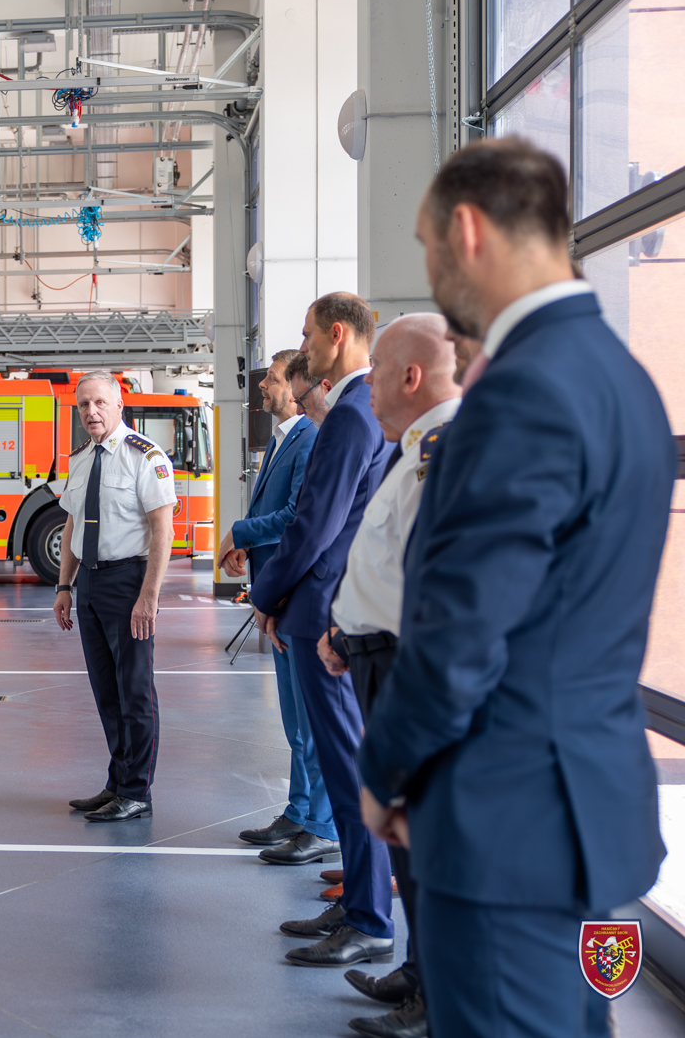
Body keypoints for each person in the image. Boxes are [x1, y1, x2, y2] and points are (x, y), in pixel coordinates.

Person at [360, 138, 673, 1038]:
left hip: (505, 822)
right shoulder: (622, 380)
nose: (433, 273)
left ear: (467, 231)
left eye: (428, 247)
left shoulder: (521, 394)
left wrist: (386, 768)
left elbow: (461, 629)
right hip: (580, 809)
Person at [308, 314, 458, 1038]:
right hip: (375, 653)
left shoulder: (445, 450)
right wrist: (346, 629)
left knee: (426, 840)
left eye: (378, 374)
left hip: (407, 667)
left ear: (411, 375)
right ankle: (421, 970)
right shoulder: (414, 446)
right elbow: (387, 557)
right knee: (406, 839)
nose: (366, 387)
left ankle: (439, 997)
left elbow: (438, 584)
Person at [249, 292, 396, 967]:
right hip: (332, 606)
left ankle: (368, 918)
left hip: (322, 612)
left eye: (308, 336)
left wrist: (266, 594)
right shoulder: (363, 410)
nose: (303, 347)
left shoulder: (350, 415)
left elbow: (315, 526)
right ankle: (360, 902)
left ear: (337, 335)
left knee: (348, 767)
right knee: (345, 768)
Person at [218, 352, 333, 853]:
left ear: (296, 388)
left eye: (272, 378)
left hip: (295, 593)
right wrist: (248, 546)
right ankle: (300, 812)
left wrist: (240, 531)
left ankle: (320, 823)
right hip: (277, 594)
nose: (262, 385)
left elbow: (293, 516)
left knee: (309, 719)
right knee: (294, 720)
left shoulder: (309, 438)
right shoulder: (283, 439)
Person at [52, 371, 178, 823]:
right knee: (107, 692)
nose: (91, 412)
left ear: (119, 405)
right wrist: (64, 585)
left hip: (129, 583)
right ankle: (117, 782)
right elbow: (72, 524)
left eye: (100, 403)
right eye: (84, 404)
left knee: (135, 691)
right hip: (89, 582)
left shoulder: (146, 456)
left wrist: (149, 597)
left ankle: (137, 791)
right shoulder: (80, 459)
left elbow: (163, 530)